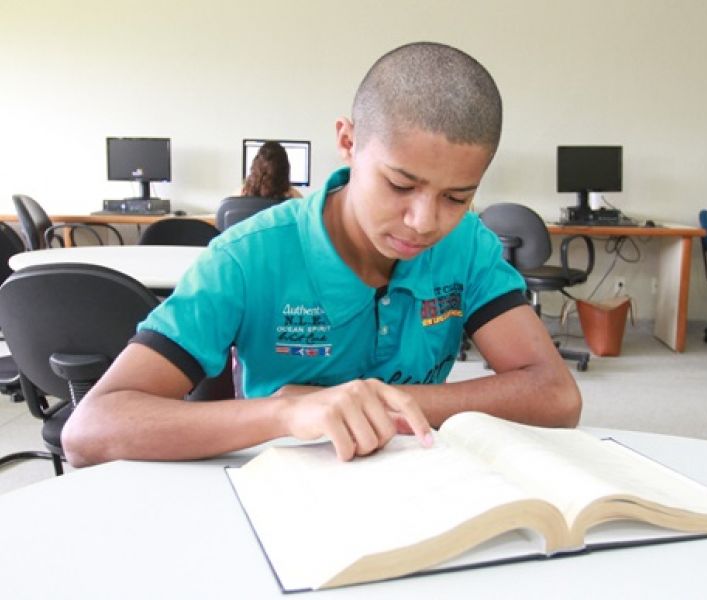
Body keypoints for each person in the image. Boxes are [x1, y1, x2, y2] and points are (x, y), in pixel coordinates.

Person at [63, 42, 581, 467]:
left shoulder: (467, 245)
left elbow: (556, 396)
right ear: (348, 141)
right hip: (282, 492)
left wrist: (377, 402)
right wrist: (286, 414)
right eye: (401, 185)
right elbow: (90, 431)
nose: (425, 222)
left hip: (417, 485)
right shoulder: (248, 257)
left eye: (456, 197)